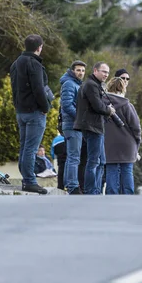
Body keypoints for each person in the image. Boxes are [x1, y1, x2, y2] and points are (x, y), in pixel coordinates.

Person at [10, 34, 52, 194]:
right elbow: (38, 89)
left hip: (21, 111)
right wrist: (45, 107)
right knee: (31, 148)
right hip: (35, 112)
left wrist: (17, 106)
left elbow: (14, 89)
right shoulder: (34, 64)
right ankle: (29, 181)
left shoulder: (16, 63)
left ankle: (26, 179)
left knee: (24, 146)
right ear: (39, 47)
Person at [73, 62, 116, 195]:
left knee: (101, 161)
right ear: (95, 70)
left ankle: (95, 190)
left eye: (108, 73)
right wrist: (109, 110)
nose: (106, 75)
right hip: (92, 127)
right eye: (103, 71)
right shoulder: (91, 85)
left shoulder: (93, 85)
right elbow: (97, 105)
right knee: (93, 161)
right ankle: (91, 191)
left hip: (95, 127)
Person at [104, 77, 141, 194]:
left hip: (108, 143)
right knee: (127, 170)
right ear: (123, 88)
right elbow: (136, 127)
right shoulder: (127, 105)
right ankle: (128, 196)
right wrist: (137, 142)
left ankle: (111, 196)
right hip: (127, 143)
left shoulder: (102, 105)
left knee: (111, 170)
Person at [60, 60, 87, 194]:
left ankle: (69, 184)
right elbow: (67, 105)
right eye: (78, 70)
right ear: (72, 71)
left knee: (72, 156)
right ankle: (72, 186)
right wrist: (80, 118)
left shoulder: (76, 84)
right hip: (72, 125)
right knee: (74, 157)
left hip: (75, 125)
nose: (81, 73)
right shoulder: (69, 84)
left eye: (82, 70)